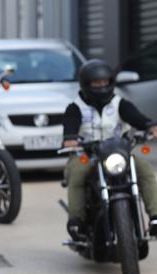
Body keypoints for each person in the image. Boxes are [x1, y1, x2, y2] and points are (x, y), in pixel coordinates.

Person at [62, 59, 157, 238]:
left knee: (144, 169)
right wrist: (70, 139)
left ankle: (155, 217)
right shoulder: (75, 108)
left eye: (105, 82)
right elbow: (69, 126)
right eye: (97, 83)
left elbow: (138, 118)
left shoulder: (120, 103)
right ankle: (76, 221)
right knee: (77, 173)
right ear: (86, 84)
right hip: (87, 155)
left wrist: (150, 126)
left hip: (118, 153)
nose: (101, 86)